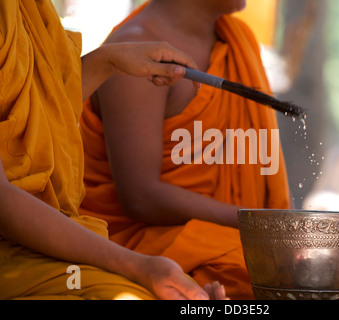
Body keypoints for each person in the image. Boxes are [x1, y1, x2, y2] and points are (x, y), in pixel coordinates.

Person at [0, 0, 227, 300]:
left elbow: (33, 118)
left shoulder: (26, 7)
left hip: (48, 236)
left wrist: (107, 62)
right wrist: (137, 266)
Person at [80, 0, 291, 299]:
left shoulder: (237, 39)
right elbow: (140, 199)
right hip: (141, 245)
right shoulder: (136, 51)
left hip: (227, 233)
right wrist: (260, 222)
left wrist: (281, 227)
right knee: (272, 276)